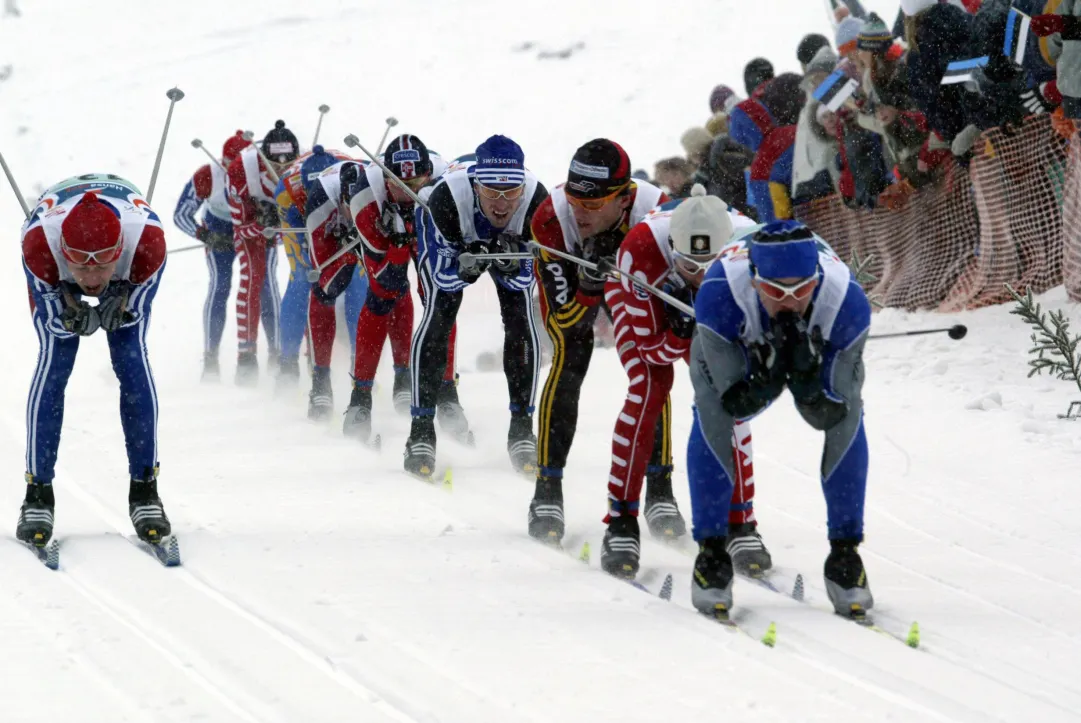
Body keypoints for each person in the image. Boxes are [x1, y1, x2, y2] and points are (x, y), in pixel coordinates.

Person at [688, 220, 872, 621]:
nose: (788, 302)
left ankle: (845, 555)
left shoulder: (846, 303)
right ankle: (711, 555)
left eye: (800, 290)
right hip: (734, 333)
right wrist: (769, 376)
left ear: (816, 280)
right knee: (711, 412)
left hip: (822, 328)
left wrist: (806, 380)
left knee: (848, 417)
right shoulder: (720, 294)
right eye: (775, 291)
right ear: (755, 282)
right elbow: (736, 405)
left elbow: (828, 414)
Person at [598, 185, 764, 579]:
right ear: (673, 250)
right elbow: (651, 350)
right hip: (646, 298)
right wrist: (678, 335)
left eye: (712, 264)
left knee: (727, 398)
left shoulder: (751, 250)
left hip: (713, 307)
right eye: (690, 265)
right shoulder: (641, 254)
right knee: (648, 388)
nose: (701, 275)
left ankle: (741, 522)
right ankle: (621, 519)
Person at [528, 139, 673, 545]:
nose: (580, 211)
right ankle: (547, 488)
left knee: (650, 365)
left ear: (625, 199)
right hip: (577, 278)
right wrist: (590, 287)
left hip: (636, 266)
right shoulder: (551, 219)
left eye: (592, 205)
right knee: (570, 358)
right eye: (575, 199)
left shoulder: (657, 211)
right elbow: (564, 322)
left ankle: (660, 491)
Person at [19, 175, 170, 546]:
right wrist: (67, 312)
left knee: (130, 359)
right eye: (82, 268)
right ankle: (37, 493)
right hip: (56, 262)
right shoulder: (39, 244)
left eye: (101, 266)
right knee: (56, 359)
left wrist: (119, 304)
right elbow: (54, 313)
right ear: (65, 254)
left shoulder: (148, 243)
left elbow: (133, 311)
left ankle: (145, 489)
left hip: (127, 266)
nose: (91, 278)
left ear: (118, 253)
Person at [408, 135, 548, 479]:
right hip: (453, 234)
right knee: (439, 315)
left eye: (510, 193)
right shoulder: (445, 199)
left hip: (505, 239)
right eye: (491, 193)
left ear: (522, 186)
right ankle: (421, 430)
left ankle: (522, 428)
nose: (501, 205)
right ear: (475, 185)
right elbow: (443, 280)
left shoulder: (536, 201)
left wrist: (511, 266)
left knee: (520, 318)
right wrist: (466, 269)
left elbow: (522, 282)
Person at [341, 135, 453, 444]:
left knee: (441, 299)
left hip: (430, 227)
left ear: (429, 174)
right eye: (398, 185)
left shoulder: (447, 188)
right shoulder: (365, 198)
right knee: (382, 297)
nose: (408, 194)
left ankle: (447, 393)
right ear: (385, 179)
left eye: (416, 184)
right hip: (386, 234)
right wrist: (396, 248)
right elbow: (385, 281)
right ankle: (360, 397)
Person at [174, 131, 279, 381]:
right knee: (220, 286)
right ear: (223, 161)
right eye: (232, 165)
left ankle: (277, 354)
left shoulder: (266, 173)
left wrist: (272, 221)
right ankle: (210, 357)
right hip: (220, 230)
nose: (237, 171)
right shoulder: (208, 175)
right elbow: (180, 214)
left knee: (266, 285)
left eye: (244, 164)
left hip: (256, 228)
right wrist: (205, 236)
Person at [273, 145, 368, 391]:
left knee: (358, 281)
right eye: (311, 191)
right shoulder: (287, 193)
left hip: (345, 208)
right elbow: (302, 245)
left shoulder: (357, 177)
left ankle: (361, 362)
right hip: (303, 215)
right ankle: (288, 362)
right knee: (302, 277)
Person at [227, 120, 297, 384]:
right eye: (274, 166)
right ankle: (246, 356)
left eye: (286, 166)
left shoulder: (301, 169)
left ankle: (285, 354)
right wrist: (261, 224)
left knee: (302, 279)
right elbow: (240, 228)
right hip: (253, 225)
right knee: (253, 278)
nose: (281, 171)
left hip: (286, 221)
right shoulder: (241, 171)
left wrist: (283, 222)